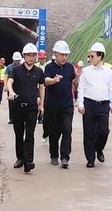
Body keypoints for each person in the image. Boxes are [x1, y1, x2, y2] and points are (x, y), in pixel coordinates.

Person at [77, 42, 112, 168]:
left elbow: (111, 88)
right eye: (89, 56)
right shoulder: (86, 71)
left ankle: (99, 149)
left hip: (103, 105)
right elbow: (81, 88)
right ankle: (90, 159)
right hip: (89, 104)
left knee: (104, 131)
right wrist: (81, 104)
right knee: (89, 132)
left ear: (100, 57)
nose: (90, 58)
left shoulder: (108, 72)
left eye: (92, 56)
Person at [7, 43, 45, 173]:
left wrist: (41, 105)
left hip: (32, 108)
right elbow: (9, 82)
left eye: (33, 55)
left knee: (30, 134)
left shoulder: (39, 71)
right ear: (24, 56)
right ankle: (20, 158)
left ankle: (29, 161)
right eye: (29, 55)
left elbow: (42, 88)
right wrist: (11, 91)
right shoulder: (16, 70)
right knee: (19, 134)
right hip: (18, 107)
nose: (31, 57)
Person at [43, 40, 80, 168]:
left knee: (67, 130)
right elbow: (46, 81)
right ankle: (54, 155)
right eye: (62, 55)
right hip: (52, 105)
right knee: (54, 132)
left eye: (66, 55)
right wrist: (54, 80)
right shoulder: (49, 67)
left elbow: (74, 82)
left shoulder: (70, 67)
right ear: (55, 54)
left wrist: (77, 76)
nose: (64, 57)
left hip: (67, 105)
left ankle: (65, 157)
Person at [6, 52, 22, 124]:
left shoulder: (23, 67)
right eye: (16, 60)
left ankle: (20, 118)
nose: (17, 62)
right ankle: (12, 118)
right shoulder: (9, 67)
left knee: (19, 102)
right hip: (11, 87)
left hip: (20, 87)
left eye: (18, 60)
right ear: (13, 60)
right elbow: (6, 77)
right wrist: (5, 86)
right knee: (11, 103)